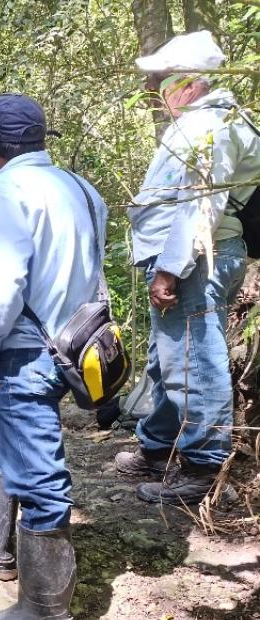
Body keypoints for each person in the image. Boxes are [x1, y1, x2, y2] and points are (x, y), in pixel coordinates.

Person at [0, 93, 107, 620]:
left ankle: (45, 607)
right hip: (77, 341)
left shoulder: (3, 191)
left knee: (39, 473)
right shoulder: (82, 188)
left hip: (25, 347)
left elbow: (3, 283)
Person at [118, 31, 260, 505]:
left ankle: (203, 464)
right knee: (168, 358)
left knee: (196, 360)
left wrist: (170, 270)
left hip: (198, 260)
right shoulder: (201, 124)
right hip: (190, 260)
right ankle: (158, 447)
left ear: (191, 83)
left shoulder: (210, 127)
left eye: (161, 79)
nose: (155, 90)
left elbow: (201, 206)